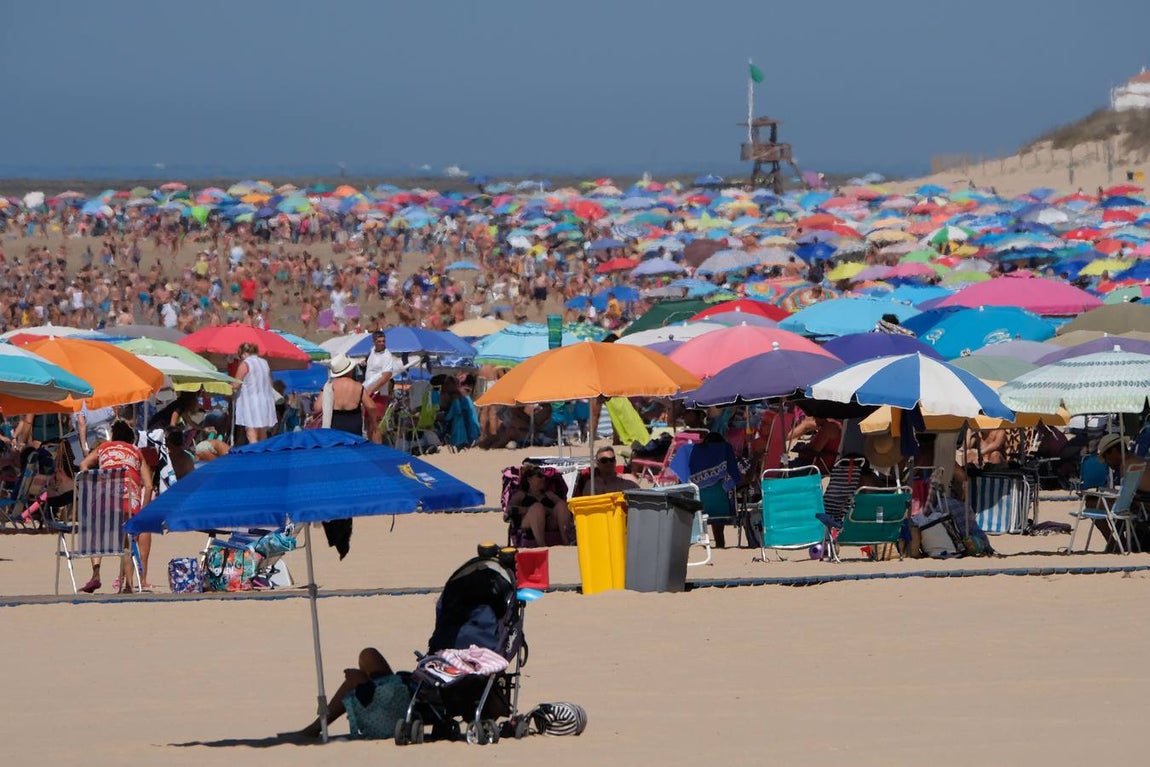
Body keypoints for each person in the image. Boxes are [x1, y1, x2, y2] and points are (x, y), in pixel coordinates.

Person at [78, 420, 155, 593]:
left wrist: (91, 487)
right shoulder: (136, 452)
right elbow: (148, 485)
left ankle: (96, 573)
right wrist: (143, 512)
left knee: (95, 534)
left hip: (104, 503)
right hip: (129, 504)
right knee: (126, 541)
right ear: (131, 439)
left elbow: (83, 465)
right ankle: (128, 585)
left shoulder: (104, 448)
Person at [281, 648, 409, 740]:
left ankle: (315, 728)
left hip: (418, 695)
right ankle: (365, 689)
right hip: (415, 682)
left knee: (355, 679)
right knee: (368, 654)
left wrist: (362, 683)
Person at [508, 465, 574, 545]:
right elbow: (509, 509)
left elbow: (564, 508)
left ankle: (567, 541)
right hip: (528, 523)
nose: (543, 479)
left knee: (561, 505)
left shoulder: (549, 494)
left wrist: (546, 510)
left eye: (544, 476)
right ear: (529, 479)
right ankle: (541, 544)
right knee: (537, 508)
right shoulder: (521, 495)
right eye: (539, 476)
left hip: (549, 523)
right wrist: (529, 509)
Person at [314, 354, 377, 436]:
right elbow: (371, 406)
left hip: (334, 424)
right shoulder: (357, 386)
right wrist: (373, 422)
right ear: (349, 370)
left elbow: (317, 407)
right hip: (354, 425)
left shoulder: (329, 386)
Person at [232, 342, 277, 444]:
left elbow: (236, 384)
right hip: (265, 400)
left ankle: (255, 456)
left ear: (243, 353)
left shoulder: (246, 363)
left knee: (251, 431)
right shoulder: (264, 363)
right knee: (262, 432)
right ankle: (263, 455)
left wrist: (224, 386)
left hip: (250, 401)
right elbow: (270, 383)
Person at [572, 446, 639, 496]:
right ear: (597, 463)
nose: (608, 463)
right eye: (604, 460)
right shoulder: (592, 485)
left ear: (615, 461)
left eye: (611, 460)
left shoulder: (628, 480)